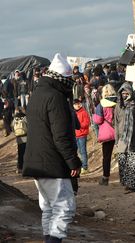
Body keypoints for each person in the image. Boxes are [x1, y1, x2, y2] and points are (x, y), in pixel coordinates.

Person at [23, 53, 81, 243]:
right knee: (64, 208)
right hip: (52, 162)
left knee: (48, 208)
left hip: (37, 161)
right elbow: (61, 136)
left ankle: (48, 239)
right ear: (62, 79)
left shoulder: (37, 94)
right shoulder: (55, 98)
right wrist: (73, 161)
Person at [114, 82, 135, 193]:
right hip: (122, 139)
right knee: (123, 162)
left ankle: (133, 185)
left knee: (133, 162)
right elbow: (116, 123)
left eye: (126, 92)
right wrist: (116, 140)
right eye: (122, 93)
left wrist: (134, 120)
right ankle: (127, 183)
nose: (124, 94)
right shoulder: (119, 105)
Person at [93, 84, 117, 185]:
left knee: (107, 156)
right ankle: (125, 177)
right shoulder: (118, 102)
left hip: (107, 133)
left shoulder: (101, 105)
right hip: (119, 131)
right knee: (123, 155)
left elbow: (98, 120)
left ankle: (105, 178)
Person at [73, 99, 90, 174]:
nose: (77, 105)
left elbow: (86, 123)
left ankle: (85, 167)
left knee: (83, 151)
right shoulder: (73, 113)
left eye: (78, 103)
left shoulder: (84, 112)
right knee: (77, 151)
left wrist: (78, 125)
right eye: (76, 104)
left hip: (82, 135)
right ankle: (78, 166)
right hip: (75, 135)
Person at [12, 108, 27, 174]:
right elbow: (28, 125)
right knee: (26, 153)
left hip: (19, 139)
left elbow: (12, 127)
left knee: (20, 153)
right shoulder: (24, 117)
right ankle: (26, 167)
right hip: (26, 137)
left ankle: (19, 168)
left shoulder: (15, 119)